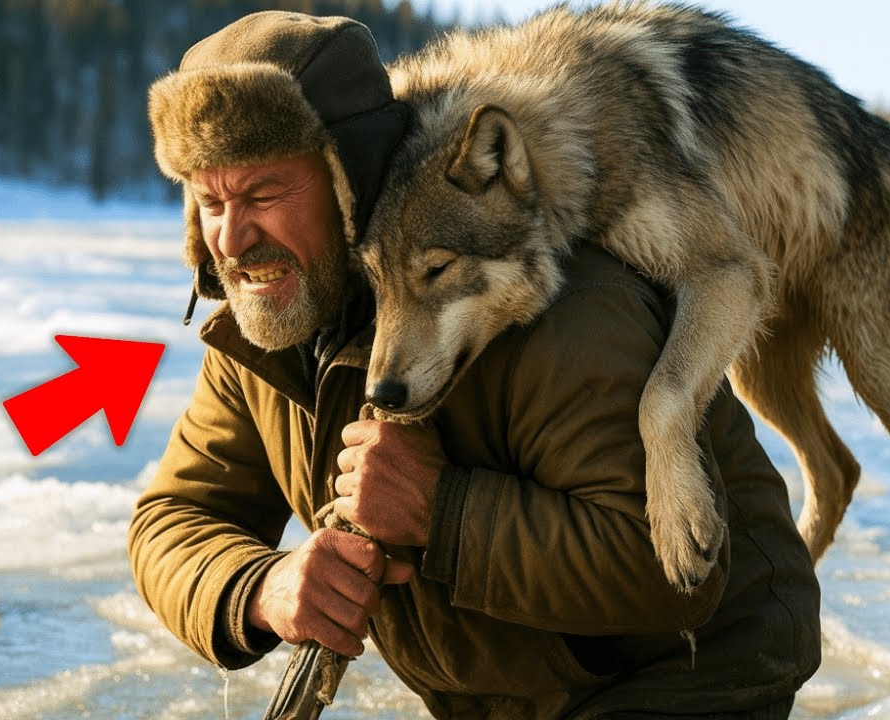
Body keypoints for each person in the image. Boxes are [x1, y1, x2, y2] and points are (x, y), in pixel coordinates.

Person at [130, 10, 821, 719]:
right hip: (506, 697)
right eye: (209, 200)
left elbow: (664, 576)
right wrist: (262, 589)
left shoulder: (558, 302)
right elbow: (176, 515)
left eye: (263, 193)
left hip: (687, 680)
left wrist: (442, 510)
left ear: (348, 174)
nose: (233, 236)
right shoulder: (273, 319)